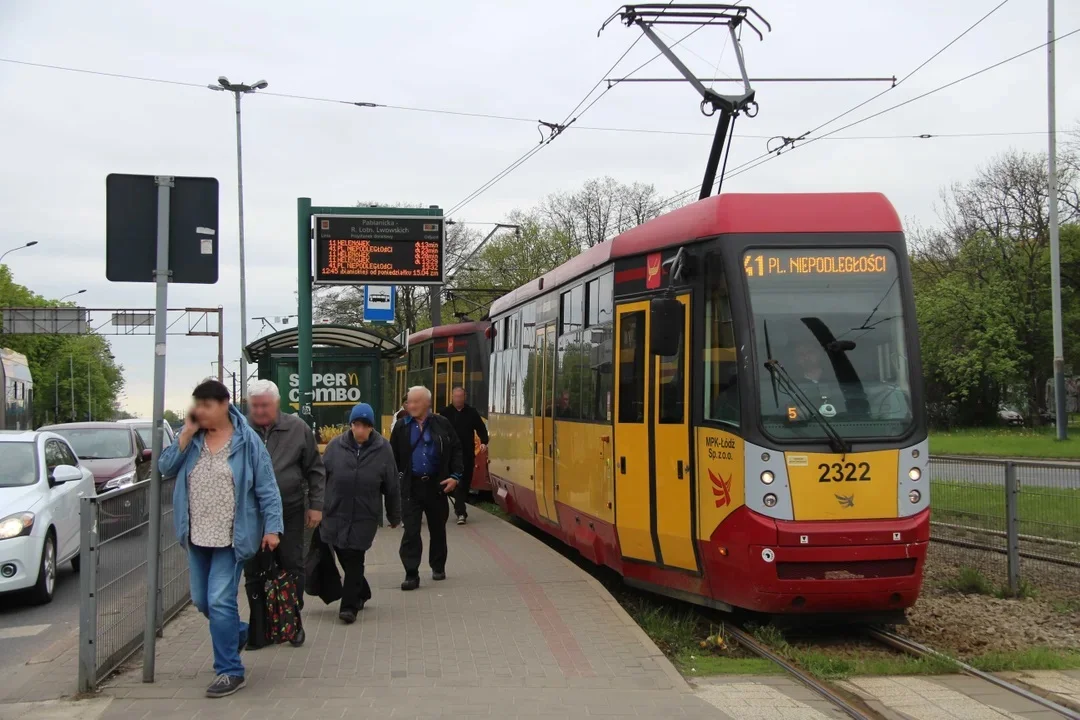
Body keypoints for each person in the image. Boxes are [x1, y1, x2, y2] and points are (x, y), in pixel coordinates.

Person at [159, 379, 283, 699]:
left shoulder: (247, 441)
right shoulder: (193, 439)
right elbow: (164, 468)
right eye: (197, 405)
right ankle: (239, 632)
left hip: (231, 537)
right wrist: (184, 434)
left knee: (219, 600)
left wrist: (272, 528)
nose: (200, 411)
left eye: (207, 405)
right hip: (197, 535)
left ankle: (229, 670)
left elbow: (267, 488)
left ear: (225, 404)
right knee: (203, 601)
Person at [244, 379, 325, 647]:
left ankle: (292, 620)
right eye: (254, 406)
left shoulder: (296, 427)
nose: (259, 411)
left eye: (264, 405)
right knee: (255, 570)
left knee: (291, 564)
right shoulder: (241, 430)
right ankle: (260, 629)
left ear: (277, 403)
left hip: (290, 507)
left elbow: (314, 468)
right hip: (252, 513)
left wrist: (316, 505)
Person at [320, 403, 402, 623]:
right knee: (343, 554)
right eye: (357, 425)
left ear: (371, 427)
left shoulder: (383, 449)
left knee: (355, 556)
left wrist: (394, 516)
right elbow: (321, 477)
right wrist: (316, 507)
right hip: (336, 510)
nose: (360, 430)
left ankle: (349, 607)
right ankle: (362, 591)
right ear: (351, 425)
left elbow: (392, 485)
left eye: (365, 425)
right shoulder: (336, 446)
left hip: (364, 514)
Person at [389, 386, 463, 590]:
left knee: (438, 529)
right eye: (409, 402)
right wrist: (394, 483)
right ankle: (411, 573)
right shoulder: (402, 427)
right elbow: (392, 457)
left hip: (437, 485)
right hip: (411, 486)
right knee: (411, 531)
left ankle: (438, 566)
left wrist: (455, 476)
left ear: (426, 404)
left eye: (414, 402)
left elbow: (457, 449)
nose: (410, 406)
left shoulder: (442, 424)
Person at [439, 386, 488, 525]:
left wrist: (484, 442)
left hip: (467, 454)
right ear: (452, 397)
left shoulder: (471, 413)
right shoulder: (445, 413)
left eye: (461, 396)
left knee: (464, 483)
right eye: (456, 396)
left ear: (464, 397)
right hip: (449, 455)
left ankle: (460, 510)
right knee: (450, 483)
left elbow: (481, 428)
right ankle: (459, 510)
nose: (458, 399)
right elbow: (437, 431)